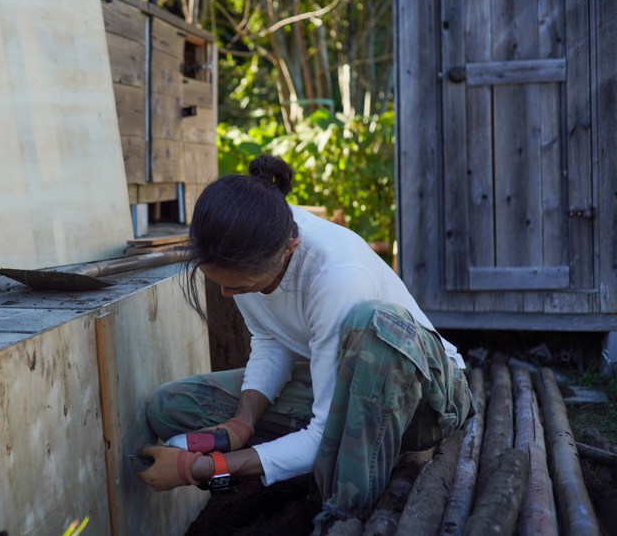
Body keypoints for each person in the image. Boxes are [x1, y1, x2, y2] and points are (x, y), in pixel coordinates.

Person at [134, 154, 471, 534]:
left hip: (427, 403)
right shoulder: (244, 240)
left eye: (241, 285)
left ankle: (343, 514)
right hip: (347, 387)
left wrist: (208, 467)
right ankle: (325, 463)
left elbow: (325, 432)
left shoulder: (337, 275)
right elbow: (270, 338)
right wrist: (241, 423)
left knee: (371, 325)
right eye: (222, 283)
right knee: (171, 406)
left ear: (290, 249)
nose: (227, 294)